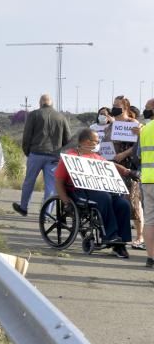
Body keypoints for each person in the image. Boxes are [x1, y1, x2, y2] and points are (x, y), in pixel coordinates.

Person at [54, 128, 133, 258]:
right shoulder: (70, 157)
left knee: (122, 204)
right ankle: (110, 235)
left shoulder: (96, 157)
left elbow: (110, 165)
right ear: (86, 141)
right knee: (104, 198)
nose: (98, 143)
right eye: (96, 141)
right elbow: (58, 181)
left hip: (98, 189)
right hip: (78, 191)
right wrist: (65, 201)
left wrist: (126, 171)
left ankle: (120, 243)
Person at [13, 94, 71, 216]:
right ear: (52, 103)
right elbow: (68, 139)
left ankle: (24, 207)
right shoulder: (61, 117)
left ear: (40, 103)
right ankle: (46, 214)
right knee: (51, 186)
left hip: (36, 153)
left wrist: (27, 151)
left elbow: (27, 135)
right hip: (54, 156)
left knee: (29, 181)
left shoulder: (34, 114)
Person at [106, 95, 144, 249]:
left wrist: (124, 154)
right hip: (113, 164)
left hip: (129, 166)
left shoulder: (133, 123)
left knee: (133, 201)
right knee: (116, 199)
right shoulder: (112, 124)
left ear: (126, 107)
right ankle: (118, 233)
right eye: (113, 104)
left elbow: (138, 145)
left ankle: (140, 236)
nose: (114, 107)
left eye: (117, 105)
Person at [138, 98, 154, 267]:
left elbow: (140, 155)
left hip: (148, 179)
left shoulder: (145, 129)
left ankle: (151, 258)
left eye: (147, 108)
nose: (145, 111)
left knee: (149, 220)